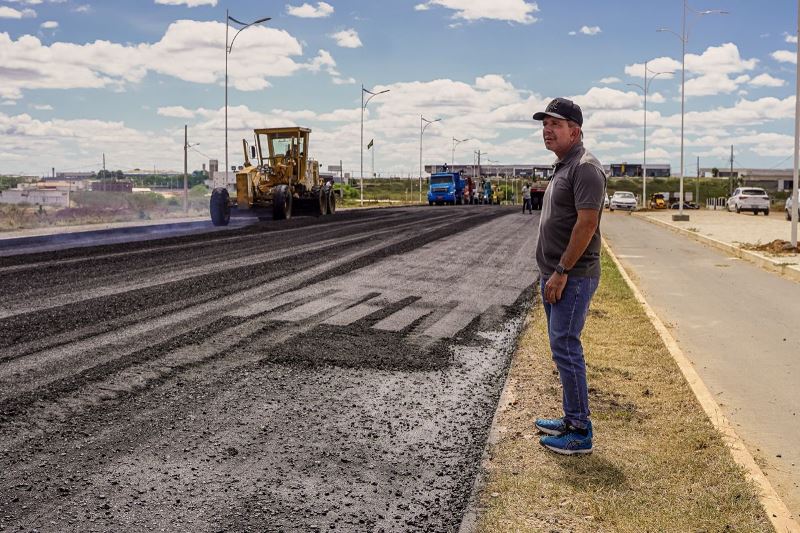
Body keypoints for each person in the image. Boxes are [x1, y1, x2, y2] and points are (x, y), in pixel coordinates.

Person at [531, 97, 606, 455]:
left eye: (555, 125)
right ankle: (570, 416)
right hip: (556, 274)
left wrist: (561, 271)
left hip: (572, 276)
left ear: (575, 131)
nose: (547, 130)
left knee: (566, 346)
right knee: (560, 347)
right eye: (545, 124)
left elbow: (587, 223)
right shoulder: (565, 165)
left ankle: (579, 431)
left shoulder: (586, 168)